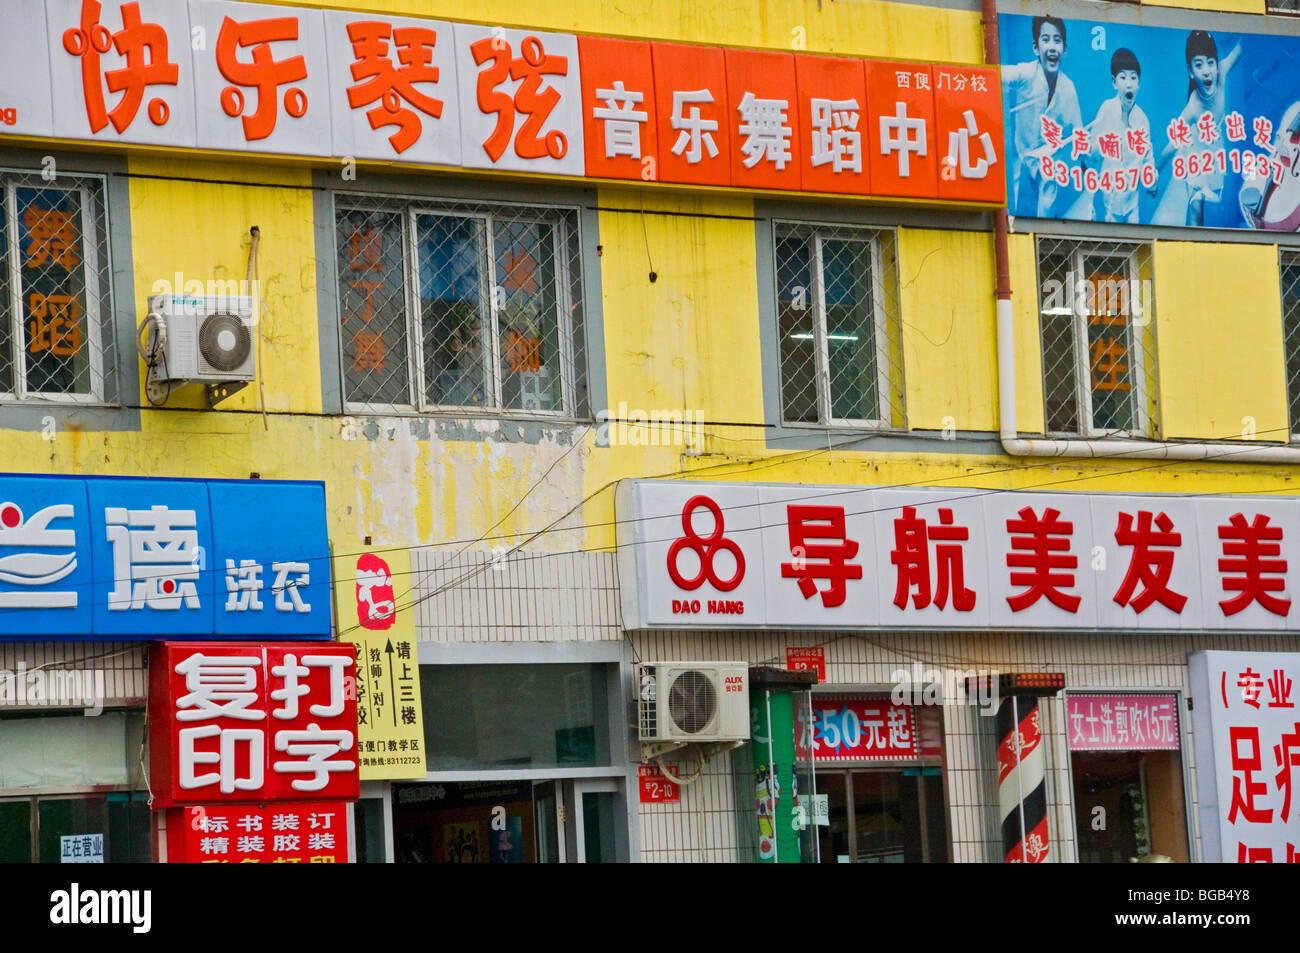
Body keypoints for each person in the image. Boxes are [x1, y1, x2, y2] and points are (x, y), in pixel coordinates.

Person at [1154, 30, 1242, 226]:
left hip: (1215, 150)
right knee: (1196, 206)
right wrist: (1154, 172)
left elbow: (1238, 50)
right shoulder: (1193, 107)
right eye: (1199, 65)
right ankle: (1193, 240)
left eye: (1211, 62)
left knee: (1216, 204)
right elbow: (1172, 145)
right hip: (1196, 152)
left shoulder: (1222, 71)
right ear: (1191, 71)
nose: (1207, 71)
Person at [1002, 15, 1082, 218]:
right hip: (1021, 154)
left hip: (1049, 160)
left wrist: (1085, 164)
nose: (1052, 46)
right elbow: (999, 74)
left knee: (1046, 210)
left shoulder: (1068, 88)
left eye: (1058, 40)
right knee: (1014, 212)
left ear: (1065, 49)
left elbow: (1078, 131)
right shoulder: (1026, 74)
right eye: (1045, 39)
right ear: (1036, 48)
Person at [1083, 48, 1157, 224]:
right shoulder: (1107, 109)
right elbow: (1094, 147)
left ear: (1138, 83)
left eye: (1133, 77)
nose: (1129, 84)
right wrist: (1086, 164)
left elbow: (1147, 156)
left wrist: (1151, 181)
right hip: (1106, 198)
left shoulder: (1142, 120)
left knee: (1134, 238)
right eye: (1123, 77)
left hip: (1131, 199)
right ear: (1114, 82)